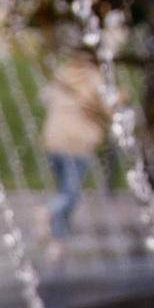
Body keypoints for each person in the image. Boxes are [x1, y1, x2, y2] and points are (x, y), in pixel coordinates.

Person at [42, 48, 111, 241]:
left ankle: (58, 238)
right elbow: (106, 108)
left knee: (63, 190)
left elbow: (46, 99)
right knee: (71, 193)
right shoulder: (95, 79)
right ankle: (47, 211)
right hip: (78, 142)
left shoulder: (62, 76)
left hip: (53, 139)